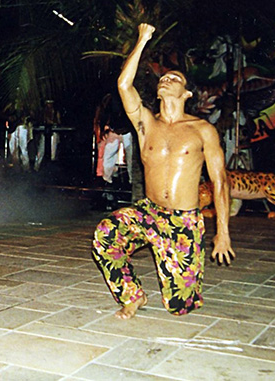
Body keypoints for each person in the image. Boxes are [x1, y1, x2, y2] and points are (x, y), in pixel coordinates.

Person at [92, 23, 234, 320]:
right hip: (149, 212)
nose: (166, 80)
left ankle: (185, 282)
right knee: (105, 235)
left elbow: (220, 181)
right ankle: (133, 296)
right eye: (163, 77)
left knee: (180, 308)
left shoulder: (202, 130)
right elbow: (123, 86)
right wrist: (142, 40)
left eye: (174, 78)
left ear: (187, 94)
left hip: (183, 221)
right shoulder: (147, 124)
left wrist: (223, 233)